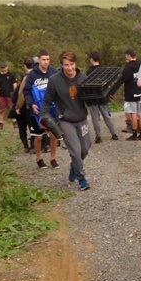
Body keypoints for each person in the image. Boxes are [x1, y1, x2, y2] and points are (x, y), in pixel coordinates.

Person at [42, 50, 92, 190]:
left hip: (81, 118)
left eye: (71, 64)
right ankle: (82, 179)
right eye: (66, 65)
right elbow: (47, 101)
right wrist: (43, 116)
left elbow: (91, 99)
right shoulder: (54, 80)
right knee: (75, 151)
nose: (69, 68)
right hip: (65, 120)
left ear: (75, 64)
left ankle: (74, 167)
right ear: (61, 65)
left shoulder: (83, 77)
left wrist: (104, 98)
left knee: (84, 149)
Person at [24, 50, 59, 169]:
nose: (46, 62)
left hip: (51, 108)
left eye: (48, 59)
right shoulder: (32, 75)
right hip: (37, 109)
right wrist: (31, 104)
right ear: (38, 60)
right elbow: (26, 91)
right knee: (38, 137)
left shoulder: (54, 72)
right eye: (43, 59)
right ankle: (39, 158)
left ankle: (53, 158)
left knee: (53, 135)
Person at [86, 51, 119, 143]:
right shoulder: (104, 70)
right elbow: (109, 84)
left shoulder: (89, 72)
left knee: (95, 117)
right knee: (106, 116)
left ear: (91, 59)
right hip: (103, 96)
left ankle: (98, 136)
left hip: (93, 97)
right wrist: (110, 94)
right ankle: (114, 134)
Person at [121, 47, 141, 141]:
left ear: (129, 56)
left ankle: (134, 133)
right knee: (140, 113)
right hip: (140, 92)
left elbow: (123, 79)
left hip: (131, 93)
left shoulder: (128, 67)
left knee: (133, 114)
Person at [14, 56, 35, 153]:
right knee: (34, 126)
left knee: (23, 127)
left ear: (25, 66)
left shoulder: (26, 77)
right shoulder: (39, 75)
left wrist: (18, 106)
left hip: (27, 105)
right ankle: (35, 145)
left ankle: (26, 146)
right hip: (38, 104)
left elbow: (21, 93)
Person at [0, 62, 18, 130]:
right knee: (1, 109)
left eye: (4, 67)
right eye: (2, 68)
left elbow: (15, 85)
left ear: (7, 67)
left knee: (11, 108)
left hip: (10, 95)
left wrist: (15, 94)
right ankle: (1, 123)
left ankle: (15, 122)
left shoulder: (11, 75)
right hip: (1, 95)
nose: (3, 69)